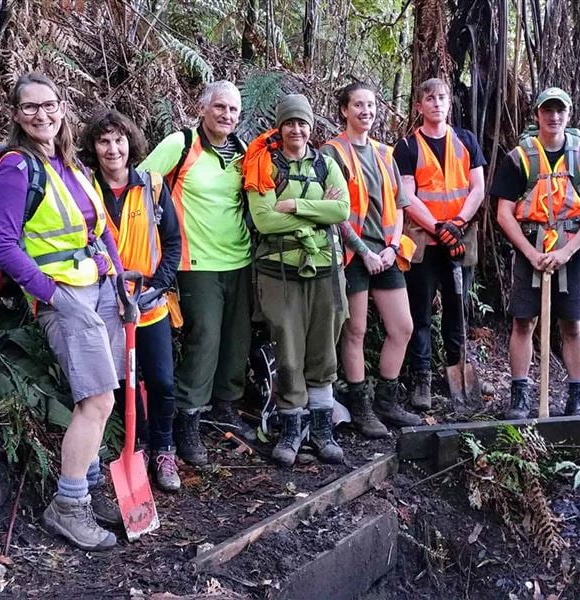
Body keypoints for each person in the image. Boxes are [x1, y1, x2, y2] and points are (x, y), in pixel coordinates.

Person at [0, 72, 124, 551]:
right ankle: (68, 507)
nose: (41, 115)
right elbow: (2, 243)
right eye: (30, 108)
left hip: (100, 289)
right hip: (63, 297)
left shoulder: (72, 165)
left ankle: (85, 488)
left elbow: (100, 230)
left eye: (49, 105)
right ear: (17, 115)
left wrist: (120, 277)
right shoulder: (16, 168)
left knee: (97, 397)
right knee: (98, 401)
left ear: (62, 107)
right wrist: (50, 293)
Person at [139, 81, 255, 466]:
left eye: (234, 110)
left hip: (238, 259)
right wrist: (157, 238)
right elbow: (141, 182)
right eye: (220, 107)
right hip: (195, 261)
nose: (226, 115)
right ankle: (187, 421)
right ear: (203, 108)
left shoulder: (242, 152)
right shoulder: (181, 144)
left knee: (236, 339)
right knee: (204, 337)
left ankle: (225, 407)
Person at [492, 87, 580, 418]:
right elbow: (503, 213)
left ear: (568, 114)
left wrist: (568, 251)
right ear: (537, 115)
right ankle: (519, 395)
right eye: (547, 110)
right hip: (529, 248)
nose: (553, 116)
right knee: (523, 322)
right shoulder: (519, 158)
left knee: (573, 323)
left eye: (560, 110)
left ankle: (577, 396)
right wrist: (531, 254)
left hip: (571, 252)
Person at [78, 109, 182, 492]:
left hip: (150, 304)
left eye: (118, 140)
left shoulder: (152, 186)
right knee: (115, 385)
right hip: (105, 306)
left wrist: (159, 284)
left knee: (161, 380)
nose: (112, 148)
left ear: (130, 143)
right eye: (104, 141)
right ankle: (125, 450)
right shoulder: (85, 189)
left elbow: (172, 243)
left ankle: (163, 449)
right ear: (93, 146)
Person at [243, 94, 350, 466]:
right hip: (278, 271)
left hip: (325, 269)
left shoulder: (325, 164)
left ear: (311, 126)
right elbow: (263, 221)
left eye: (302, 123)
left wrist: (293, 205)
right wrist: (315, 217)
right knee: (287, 351)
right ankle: (291, 429)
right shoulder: (262, 166)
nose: (297, 129)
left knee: (323, 349)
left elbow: (342, 209)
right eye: (290, 123)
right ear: (280, 126)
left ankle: (322, 430)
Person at [322, 82, 420, 437]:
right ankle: (360, 407)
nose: (366, 111)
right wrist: (363, 252)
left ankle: (386, 400)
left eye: (371, 105)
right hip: (352, 255)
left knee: (402, 327)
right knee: (356, 330)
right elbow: (334, 211)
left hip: (386, 252)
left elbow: (398, 206)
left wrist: (392, 248)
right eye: (358, 105)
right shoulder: (331, 152)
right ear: (344, 110)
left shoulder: (385, 153)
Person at [394, 78, 487, 410]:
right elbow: (406, 195)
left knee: (457, 306)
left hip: (461, 238)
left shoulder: (466, 141)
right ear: (419, 106)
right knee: (419, 311)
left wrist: (458, 223)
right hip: (423, 240)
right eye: (430, 98)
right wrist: (437, 227)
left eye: (442, 98)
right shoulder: (407, 147)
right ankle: (421, 378)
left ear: (450, 104)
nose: (437, 103)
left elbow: (477, 187)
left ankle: (457, 367)